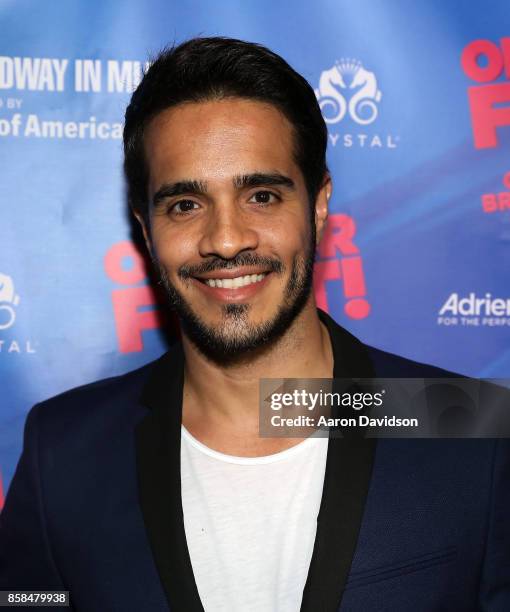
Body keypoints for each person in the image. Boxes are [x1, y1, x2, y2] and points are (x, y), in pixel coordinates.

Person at [0, 37, 509, 612]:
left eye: (261, 196)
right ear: (146, 230)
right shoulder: (64, 452)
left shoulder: (467, 426)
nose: (225, 239)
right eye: (185, 205)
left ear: (318, 205)